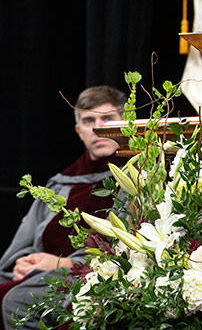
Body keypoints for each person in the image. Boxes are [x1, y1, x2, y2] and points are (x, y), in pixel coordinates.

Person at [0, 86, 126, 329]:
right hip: (39, 277)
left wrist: (63, 263)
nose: (97, 128)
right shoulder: (60, 184)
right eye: (89, 121)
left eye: (107, 118)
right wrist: (23, 263)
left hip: (95, 278)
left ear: (125, 122)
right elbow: (23, 241)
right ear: (79, 131)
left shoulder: (137, 177)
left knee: (16, 302)